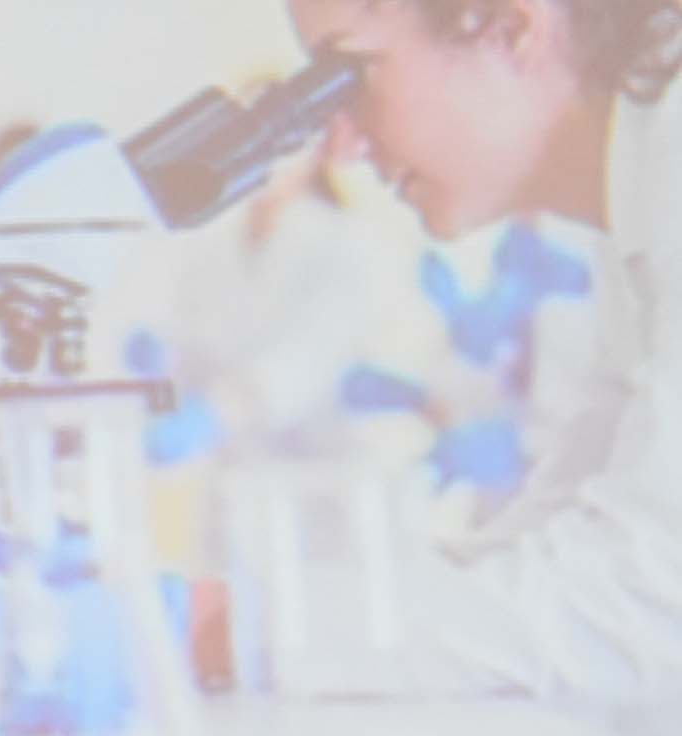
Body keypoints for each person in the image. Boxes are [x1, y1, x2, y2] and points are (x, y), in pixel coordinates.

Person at [290, 0, 682, 698]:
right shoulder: (636, 197)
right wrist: (265, 610)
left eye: (352, 75)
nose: (341, 146)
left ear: (509, 26)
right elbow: (556, 534)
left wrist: (256, 626)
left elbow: (649, 596)